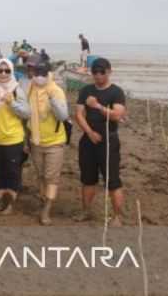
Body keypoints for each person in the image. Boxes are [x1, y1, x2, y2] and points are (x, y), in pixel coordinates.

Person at [74, 57, 127, 226]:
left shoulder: (116, 92)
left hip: (109, 141)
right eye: (94, 72)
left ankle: (117, 216)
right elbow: (79, 114)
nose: (97, 75)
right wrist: (89, 132)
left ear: (109, 72)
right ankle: (86, 211)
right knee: (87, 179)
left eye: (101, 72)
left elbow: (118, 115)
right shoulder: (85, 90)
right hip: (88, 141)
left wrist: (97, 106)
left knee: (112, 180)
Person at [0, 58, 31, 215]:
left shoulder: (17, 90)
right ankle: (1, 202)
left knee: (12, 172)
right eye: (0, 70)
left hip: (13, 138)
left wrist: (12, 103)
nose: (3, 73)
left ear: (11, 72)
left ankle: (10, 204)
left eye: (7, 71)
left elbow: (27, 113)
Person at [27, 61, 70, 225]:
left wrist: (53, 101)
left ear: (48, 74)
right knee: (41, 175)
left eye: (43, 74)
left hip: (54, 142)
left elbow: (63, 116)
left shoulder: (55, 90)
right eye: (36, 73)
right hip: (36, 141)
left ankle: (46, 210)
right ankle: (44, 199)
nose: (39, 77)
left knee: (51, 177)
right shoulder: (30, 88)